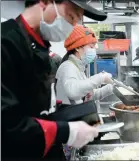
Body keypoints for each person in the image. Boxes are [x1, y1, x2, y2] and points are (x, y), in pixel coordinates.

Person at [1, 0, 107, 160]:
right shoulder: (6, 43)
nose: (71, 26)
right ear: (46, 3)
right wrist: (66, 131)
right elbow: (6, 124)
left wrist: (81, 118)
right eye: (71, 17)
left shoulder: (40, 47)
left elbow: (40, 107)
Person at [55, 25, 113, 105]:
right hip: (69, 116)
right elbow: (72, 92)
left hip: (78, 115)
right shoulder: (67, 67)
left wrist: (111, 88)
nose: (94, 51)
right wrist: (100, 78)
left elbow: (86, 96)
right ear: (78, 47)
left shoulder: (78, 68)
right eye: (91, 47)